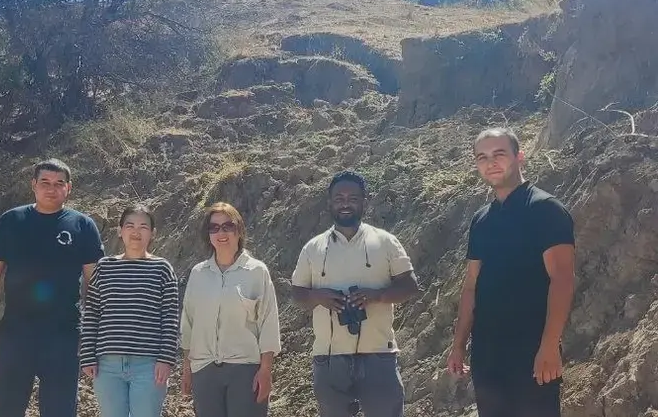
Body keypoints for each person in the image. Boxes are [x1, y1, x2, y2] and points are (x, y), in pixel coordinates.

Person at [446, 127, 575, 417]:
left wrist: (549, 345)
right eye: (482, 157)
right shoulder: (481, 220)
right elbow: (471, 286)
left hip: (531, 352)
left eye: (499, 154)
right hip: (488, 355)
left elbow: (562, 278)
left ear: (520, 157)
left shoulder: (546, 209)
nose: (490, 162)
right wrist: (458, 346)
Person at [0, 158, 105, 417]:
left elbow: (94, 282)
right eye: (45, 182)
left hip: (64, 337)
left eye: (59, 183)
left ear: (69, 188)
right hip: (16, 333)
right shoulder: (12, 221)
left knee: (59, 410)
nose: (51, 189)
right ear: (33, 185)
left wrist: (90, 332)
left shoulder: (82, 225)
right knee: (4, 409)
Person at [290, 171, 421, 417]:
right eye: (339, 198)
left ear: (365, 201)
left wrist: (378, 296)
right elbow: (297, 293)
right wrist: (319, 297)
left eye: (353, 197)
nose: (345, 203)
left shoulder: (386, 241)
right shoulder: (313, 247)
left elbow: (410, 285)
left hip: (378, 354)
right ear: (329, 203)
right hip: (329, 358)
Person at [179, 202, 282, 417]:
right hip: (205, 371)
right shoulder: (198, 274)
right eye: (214, 227)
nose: (221, 232)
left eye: (227, 226)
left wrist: (265, 370)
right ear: (208, 234)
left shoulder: (256, 272)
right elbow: (188, 323)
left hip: (245, 370)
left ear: (239, 230)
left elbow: (268, 322)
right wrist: (187, 368)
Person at [79, 204, 179, 417]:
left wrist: (166, 359)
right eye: (130, 225)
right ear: (120, 230)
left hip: (148, 364)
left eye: (143, 226)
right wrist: (87, 355)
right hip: (108, 365)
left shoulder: (162, 268)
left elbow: (170, 317)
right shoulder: (105, 267)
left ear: (153, 233)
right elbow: (92, 312)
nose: (136, 232)